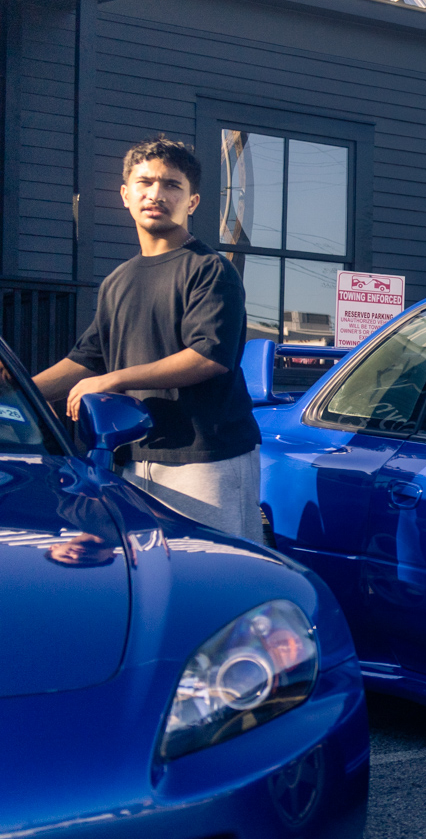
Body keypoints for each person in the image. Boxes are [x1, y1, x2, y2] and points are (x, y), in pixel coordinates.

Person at [32, 137, 261, 541]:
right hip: (131, 457)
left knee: (210, 569)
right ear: (125, 195)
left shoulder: (210, 270)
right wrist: (19, 389)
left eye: (172, 185)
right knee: (148, 568)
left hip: (206, 456)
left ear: (192, 202)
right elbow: (87, 360)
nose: (156, 194)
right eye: (145, 182)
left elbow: (208, 357)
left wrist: (114, 379)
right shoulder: (117, 281)